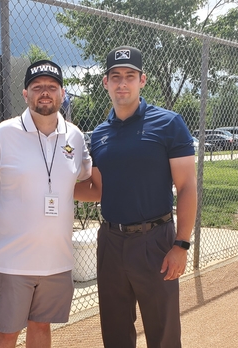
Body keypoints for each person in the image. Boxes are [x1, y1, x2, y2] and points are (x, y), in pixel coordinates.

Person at [74, 46, 197, 348]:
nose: (122, 84)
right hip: (111, 242)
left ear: (142, 80)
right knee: (115, 332)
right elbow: (97, 189)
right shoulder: (101, 133)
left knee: (163, 332)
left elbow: (187, 187)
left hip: (154, 240)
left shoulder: (168, 123)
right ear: (106, 83)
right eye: (115, 77)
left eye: (130, 76)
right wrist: (49, 186)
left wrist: (181, 244)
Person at [0, 59, 92, 348]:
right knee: (6, 332)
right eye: (37, 86)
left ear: (62, 93)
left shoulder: (75, 137)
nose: (45, 92)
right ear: (25, 93)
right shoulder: (4, 133)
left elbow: (83, 178)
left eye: (52, 87)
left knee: (41, 327)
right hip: (13, 261)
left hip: (57, 260)